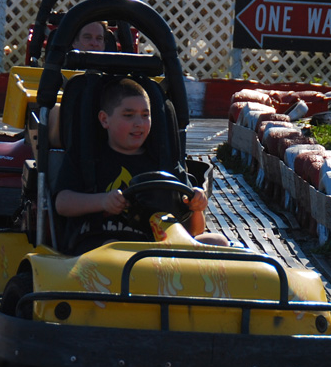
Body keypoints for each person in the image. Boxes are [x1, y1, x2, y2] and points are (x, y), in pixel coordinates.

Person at [54, 77, 229, 253]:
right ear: (104, 120)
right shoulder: (88, 160)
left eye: (145, 115)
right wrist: (103, 201)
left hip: (155, 245)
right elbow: (62, 203)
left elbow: (193, 230)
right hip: (101, 242)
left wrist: (197, 207)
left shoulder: (164, 163)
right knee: (115, 249)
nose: (139, 123)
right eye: (128, 115)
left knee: (218, 241)